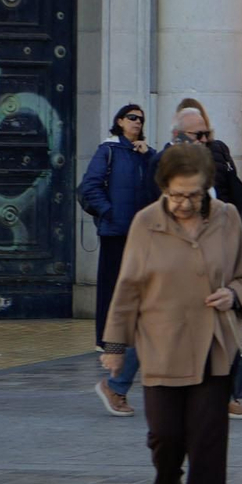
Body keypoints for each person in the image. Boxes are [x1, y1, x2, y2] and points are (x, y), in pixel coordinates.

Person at [100, 143, 242, 484]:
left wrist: (233, 294)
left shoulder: (227, 219)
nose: (184, 203)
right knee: (165, 439)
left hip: (213, 346)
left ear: (206, 188)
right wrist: (115, 347)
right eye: (176, 195)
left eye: (192, 195)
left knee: (208, 444)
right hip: (162, 347)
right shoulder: (145, 223)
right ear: (163, 189)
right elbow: (128, 288)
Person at [152, 104, 242, 420]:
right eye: (199, 135)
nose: (205, 140)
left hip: (213, 261)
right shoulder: (162, 164)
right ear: (178, 136)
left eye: (208, 134)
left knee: (222, 327)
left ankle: (223, 397)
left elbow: (225, 201)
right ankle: (123, 383)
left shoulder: (210, 161)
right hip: (177, 263)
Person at [79, 103, 157, 416]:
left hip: (142, 235)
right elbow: (89, 186)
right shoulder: (109, 150)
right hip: (116, 232)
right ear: (120, 121)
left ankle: (125, 347)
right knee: (113, 291)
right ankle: (110, 343)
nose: (138, 123)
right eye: (132, 118)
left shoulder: (143, 154)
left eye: (141, 119)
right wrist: (108, 213)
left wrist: (149, 156)